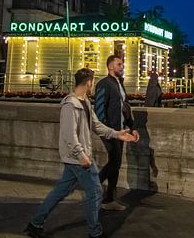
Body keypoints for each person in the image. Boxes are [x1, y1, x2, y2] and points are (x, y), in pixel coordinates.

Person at [25, 68, 136, 238]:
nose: (93, 85)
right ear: (89, 82)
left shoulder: (85, 102)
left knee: (60, 191)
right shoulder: (70, 105)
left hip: (78, 156)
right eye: (92, 82)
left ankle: (35, 223)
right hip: (79, 158)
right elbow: (70, 136)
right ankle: (95, 232)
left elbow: (96, 125)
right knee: (95, 192)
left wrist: (117, 134)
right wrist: (81, 155)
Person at [95, 55, 140, 211]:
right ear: (110, 67)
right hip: (110, 131)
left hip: (121, 130)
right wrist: (110, 131)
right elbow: (99, 110)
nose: (122, 66)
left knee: (116, 163)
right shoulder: (103, 84)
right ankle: (93, 185)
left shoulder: (119, 84)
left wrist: (132, 127)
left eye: (122, 64)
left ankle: (109, 199)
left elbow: (125, 107)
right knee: (115, 162)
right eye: (119, 64)